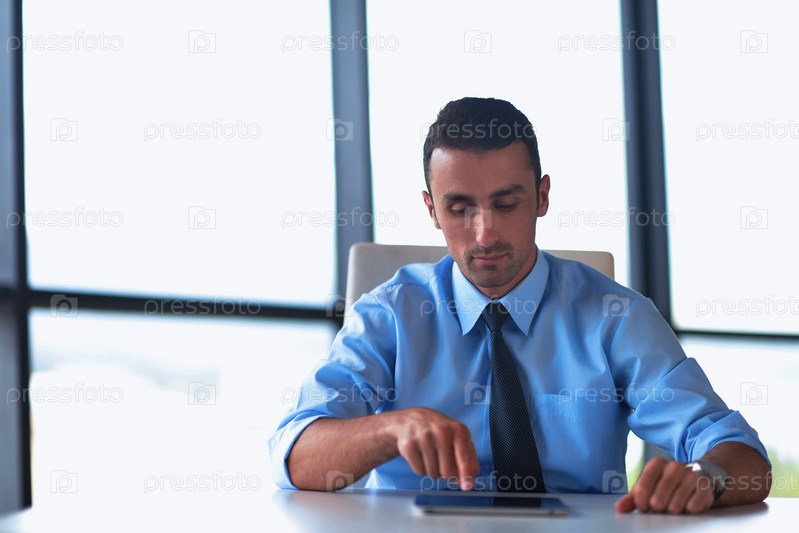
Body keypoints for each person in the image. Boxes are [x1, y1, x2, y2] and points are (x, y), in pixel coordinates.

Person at [269, 97, 771, 514]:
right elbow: (294, 456)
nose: (484, 234)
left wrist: (706, 476)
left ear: (542, 196)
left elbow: (745, 459)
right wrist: (390, 427)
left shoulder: (617, 318)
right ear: (431, 210)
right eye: (459, 208)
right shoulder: (389, 316)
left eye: (506, 204)